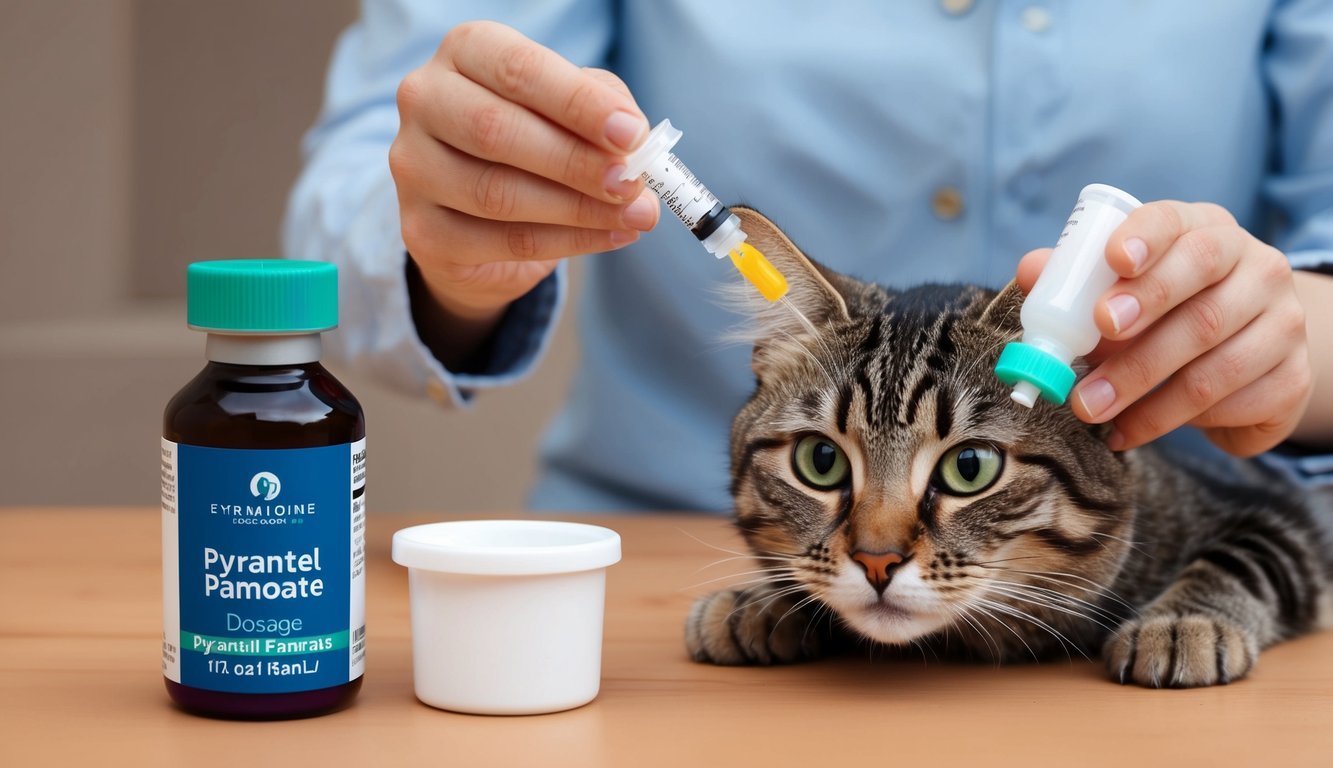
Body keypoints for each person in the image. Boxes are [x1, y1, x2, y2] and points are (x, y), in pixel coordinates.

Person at [285, 2, 1333, 511]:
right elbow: (365, 176)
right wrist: (453, 235)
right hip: (684, 575)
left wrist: (1282, 348)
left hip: (1160, 583)